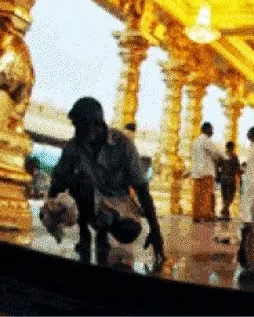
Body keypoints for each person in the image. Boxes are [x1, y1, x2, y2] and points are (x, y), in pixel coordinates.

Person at [45, 97, 164, 265]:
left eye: (79, 126)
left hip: (119, 204)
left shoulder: (123, 144)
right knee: (82, 180)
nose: (76, 131)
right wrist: (49, 209)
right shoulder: (74, 146)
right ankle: (84, 233)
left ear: (95, 125)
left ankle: (104, 230)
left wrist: (155, 230)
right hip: (90, 204)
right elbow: (58, 182)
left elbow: (142, 189)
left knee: (129, 231)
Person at [191, 122, 225, 222]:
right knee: (206, 195)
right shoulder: (206, 140)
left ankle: (196, 215)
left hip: (197, 172)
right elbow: (218, 152)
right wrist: (225, 158)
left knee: (197, 195)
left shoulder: (196, 142)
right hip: (206, 172)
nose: (213, 132)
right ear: (207, 130)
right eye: (211, 129)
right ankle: (205, 215)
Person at [217, 141, 241, 220]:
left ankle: (225, 213)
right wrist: (240, 177)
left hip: (223, 178)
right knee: (231, 195)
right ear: (232, 147)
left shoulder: (222, 155)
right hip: (231, 178)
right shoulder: (234, 156)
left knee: (224, 196)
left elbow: (218, 166)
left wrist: (218, 176)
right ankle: (225, 209)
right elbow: (237, 168)